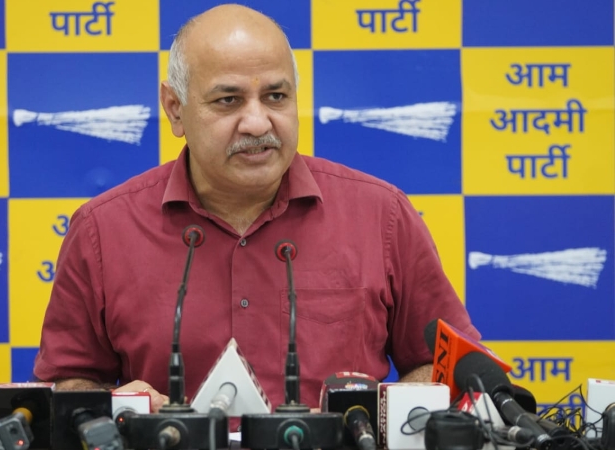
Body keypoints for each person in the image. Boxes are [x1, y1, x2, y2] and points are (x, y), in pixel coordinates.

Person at [32, 3, 481, 413]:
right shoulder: (103, 229)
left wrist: (372, 415)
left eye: (276, 97)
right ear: (174, 109)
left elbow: (451, 367)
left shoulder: (381, 215)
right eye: (228, 100)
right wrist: (122, 407)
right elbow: (69, 382)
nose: (257, 122)